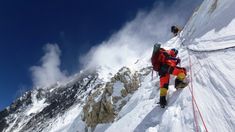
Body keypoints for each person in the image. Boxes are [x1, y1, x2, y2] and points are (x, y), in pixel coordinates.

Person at [151, 44, 188, 108]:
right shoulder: (169, 52)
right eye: (175, 53)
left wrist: (176, 61)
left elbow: (171, 62)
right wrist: (175, 58)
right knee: (182, 71)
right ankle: (178, 82)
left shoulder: (161, 57)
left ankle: (162, 101)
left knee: (164, 86)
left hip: (162, 71)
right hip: (166, 67)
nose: (175, 54)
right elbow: (168, 58)